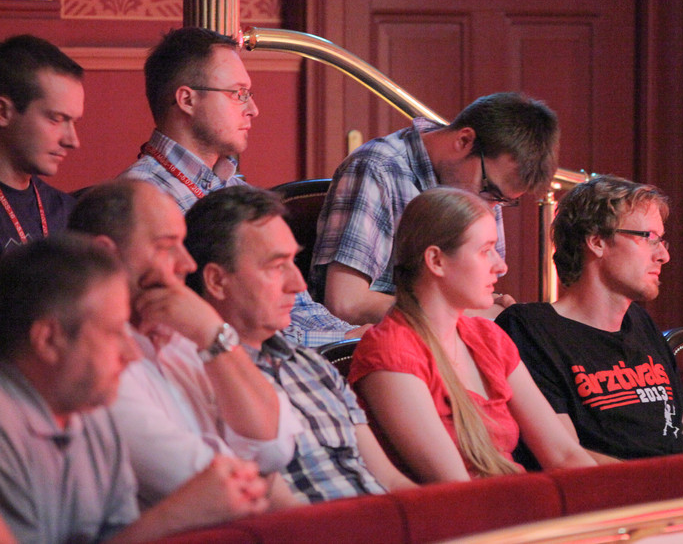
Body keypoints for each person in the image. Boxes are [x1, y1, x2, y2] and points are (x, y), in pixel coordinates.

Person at [0, 235, 270, 543]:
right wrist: (175, 516)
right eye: (115, 332)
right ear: (49, 340)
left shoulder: (93, 416)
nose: (133, 353)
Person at [120, 26, 360, 345]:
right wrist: (344, 342)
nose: (252, 109)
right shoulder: (140, 200)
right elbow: (192, 331)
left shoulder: (236, 189)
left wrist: (354, 336)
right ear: (187, 99)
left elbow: (299, 307)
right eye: (238, 93)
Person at [68, 179, 302, 507]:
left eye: (183, 243)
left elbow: (275, 448)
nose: (188, 264)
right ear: (106, 254)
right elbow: (202, 484)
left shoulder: (188, 335)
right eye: (166, 247)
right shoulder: (85, 361)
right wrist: (252, 468)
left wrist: (214, 332)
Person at [184, 186, 415, 502]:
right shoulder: (197, 378)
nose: (298, 284)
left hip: (384, 516)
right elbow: (271, 510)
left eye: (294, 261)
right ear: (216, 281)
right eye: (277, 266)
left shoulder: (311, 364)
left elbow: (389, 478)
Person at [348, 187, 595, 483]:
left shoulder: (488, 337)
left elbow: (563, 454)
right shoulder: (390, 351)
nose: (501, 266)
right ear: (436, 261)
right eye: (485, 250)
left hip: (515, 499)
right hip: (472, 509)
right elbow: (456, 487)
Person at [496, 175, 683, 464]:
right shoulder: (531, 329)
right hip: (624, 490)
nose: (663, 256)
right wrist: (672, 483)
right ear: (597, 241)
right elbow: (566, 457)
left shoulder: (639, 322)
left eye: (662, 241)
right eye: (649, 237)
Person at [310, 91, 559, 326]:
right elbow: (346, 303)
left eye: (503, 201)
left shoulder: (484, 185)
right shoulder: (378, 169)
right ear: (464, 140)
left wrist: (486, 304)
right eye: (489, 190)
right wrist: (467, 314)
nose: (490, 207)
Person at [0, 34, 83, 253]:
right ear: (3, 112)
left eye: (74, 122)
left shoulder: (68, 212)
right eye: (56, 119)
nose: (72, 141)